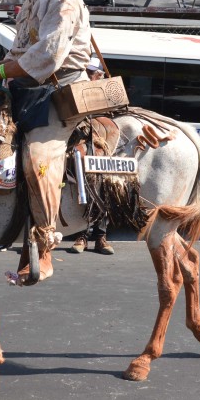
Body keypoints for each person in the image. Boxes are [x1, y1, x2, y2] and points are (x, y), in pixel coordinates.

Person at [0, 0, 92, 285]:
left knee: (37, 156)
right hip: (31, 89)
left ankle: (46, 247)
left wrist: (0, 71)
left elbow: (50, 54)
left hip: (59, 92)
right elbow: (22, 51)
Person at [68, 59, 113, 254]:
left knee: (105, 189)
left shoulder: (107, 94)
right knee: (84, 188)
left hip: (104, 148)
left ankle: (101, 236)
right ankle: (82, 235)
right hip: (80, 147)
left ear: (100, 75)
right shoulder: (77, 91)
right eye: (87, 71)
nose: (88, 75)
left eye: (92, 72)